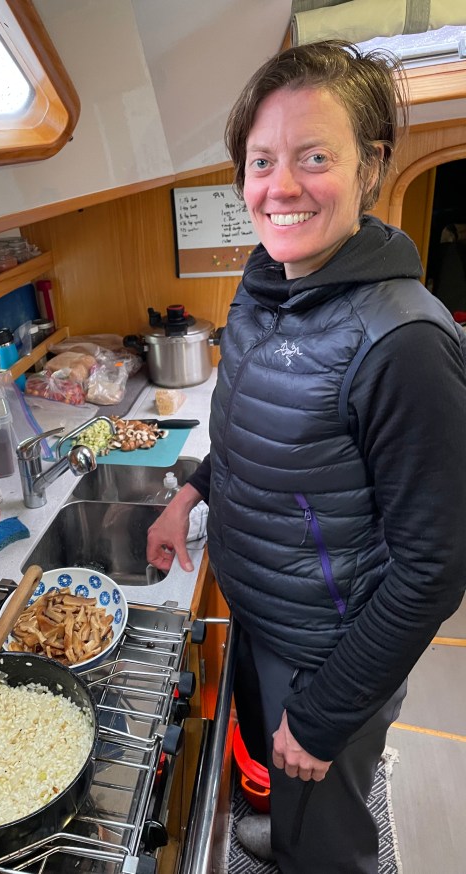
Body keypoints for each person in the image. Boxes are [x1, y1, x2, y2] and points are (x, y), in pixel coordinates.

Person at [146, 39, 466, 873]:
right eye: (261, 161)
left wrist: (325, 715)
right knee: (283, 777)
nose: (279, 186)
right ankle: (289, 836)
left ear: (371, 166)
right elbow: (259, 433)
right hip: (264, 610)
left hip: (334, 646)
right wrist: (188, 495)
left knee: (327, 822)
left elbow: (434, 568)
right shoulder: (270, 282)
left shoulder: (404, 341)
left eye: (313, 157)